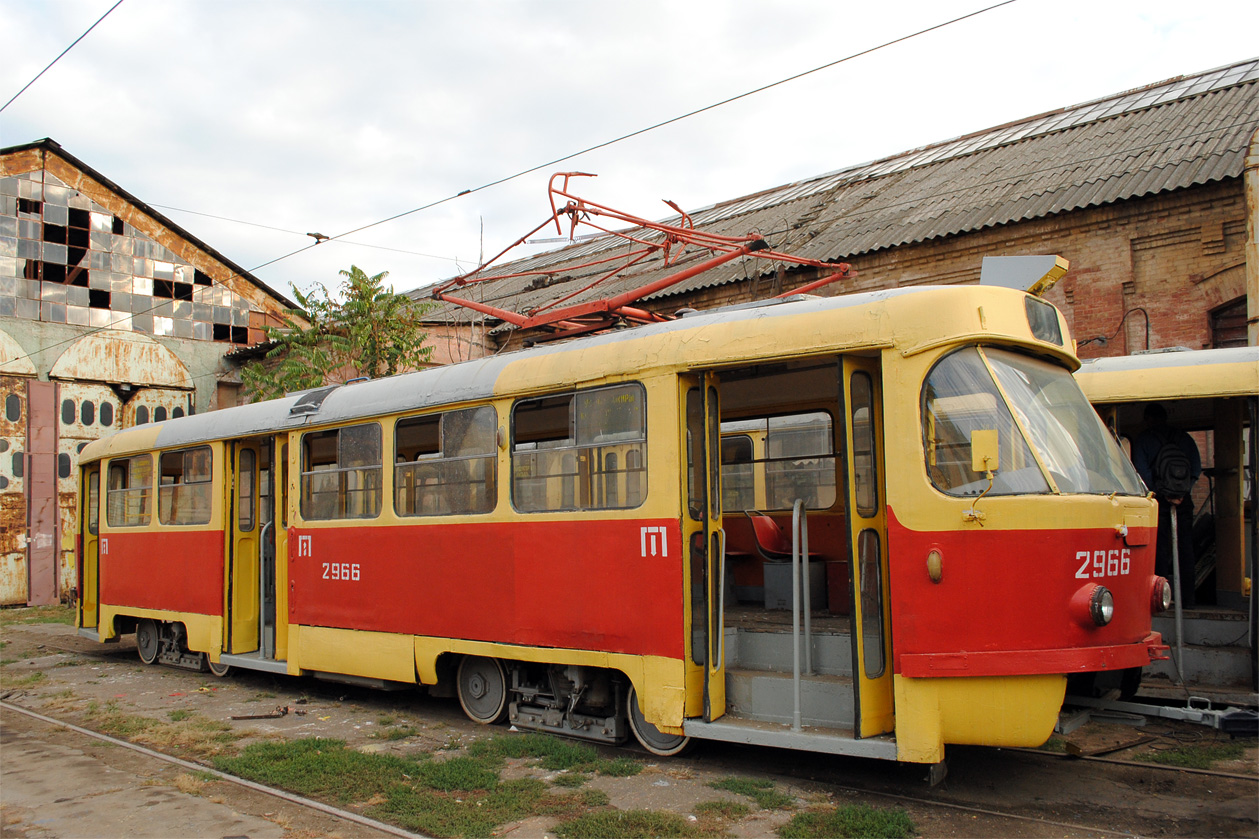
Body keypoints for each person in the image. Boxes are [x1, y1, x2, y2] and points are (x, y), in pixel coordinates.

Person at [1132, 403, 1201, 608]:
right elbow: (1196, 469)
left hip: (1158, 501)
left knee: (1159, 550)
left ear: (1147, 419)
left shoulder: (1144, 440)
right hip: (1183, 500)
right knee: (1185, 548)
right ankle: (1189, 600)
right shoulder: (1184, 438)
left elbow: (1141, 473)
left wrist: (1161, 494)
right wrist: (1181, 493)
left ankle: (1163, 599)